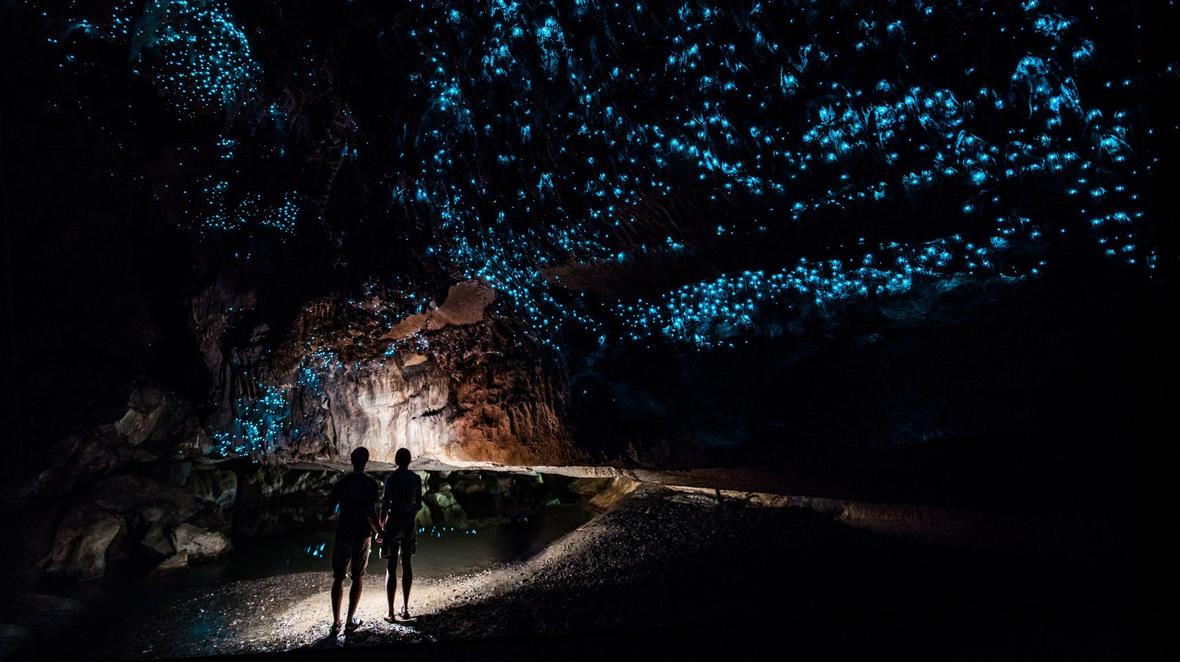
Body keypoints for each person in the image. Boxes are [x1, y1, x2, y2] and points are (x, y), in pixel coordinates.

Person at [326, 447, 381, 637]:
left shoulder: (341, 484)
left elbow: (331, 512)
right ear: (366, 461)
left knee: (338, 577)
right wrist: (380, 532)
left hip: (343, 532)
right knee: (358, 576)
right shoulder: (370, 485)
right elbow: (371, 514)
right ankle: (350, 621)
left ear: (351, 460)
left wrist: (341, 515)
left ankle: (335, 623)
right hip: (361, 534)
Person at [381, 447, 423, 621]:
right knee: (407, 564)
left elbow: (385, 505)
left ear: (396, 461)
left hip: (394, 522)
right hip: (409, 524)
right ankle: (405, 609)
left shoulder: (391, 479)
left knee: (391, 567)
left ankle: (390, 612)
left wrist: (382, 527)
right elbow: (418, 504)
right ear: (409, 461)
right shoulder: (416, 478)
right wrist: (411, 514)